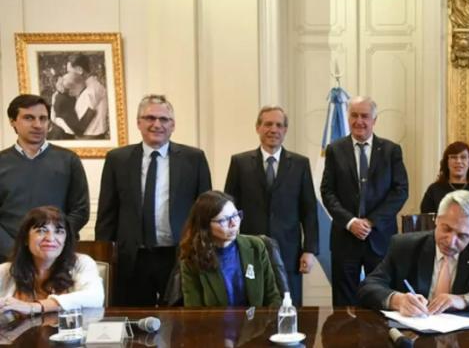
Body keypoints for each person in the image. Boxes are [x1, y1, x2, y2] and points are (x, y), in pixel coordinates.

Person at [95, 94, 212, 306]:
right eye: (149, 118)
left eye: (164, 119)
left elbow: (205, 211)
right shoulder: (117, 159)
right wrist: (103, 257)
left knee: (180, 318)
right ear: (138, 123)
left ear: (173, 125)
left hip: (179, 255)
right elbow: (107, 214)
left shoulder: (194, 159)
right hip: (133, 257)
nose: (156, 124)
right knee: (134, 319)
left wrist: (204, 251)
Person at [357, 190, 469, 316]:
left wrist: (465, 299)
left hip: (467, 337)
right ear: (437, 219)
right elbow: (368, 287)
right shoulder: (405, 246)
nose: (451, 241)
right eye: (446, 228)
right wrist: (397, 300)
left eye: (462, 236)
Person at [224, 106, 318, 305]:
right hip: (249, 248)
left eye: (279, 125)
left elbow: (309, 210)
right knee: (253, 303)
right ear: (258, 127)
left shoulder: (300, 164)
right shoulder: (239, 162)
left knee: (289, 304)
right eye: (268, 124)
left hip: (289, 251)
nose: (273, 129)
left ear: (285, 130)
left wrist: (309, 250)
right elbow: (229, 209)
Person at [321, 96, 409, 306]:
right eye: (354, 115)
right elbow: (327, 191)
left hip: (379, 237)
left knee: (381, 299)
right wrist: (351, 222)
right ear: (348, 118)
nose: (359, 121)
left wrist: (370, 222)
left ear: (374, 120)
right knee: (343, 304)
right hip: (345, 238)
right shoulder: (335, 149)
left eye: (364, 116)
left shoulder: (391, 150)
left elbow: (400, 191)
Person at [0, 95, 89, 261]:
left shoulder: (69, 160)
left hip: (57, 256)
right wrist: (12, 250)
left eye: (43, 118)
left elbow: (80, 211)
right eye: (29, 118)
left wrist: (53, 241)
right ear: (13, 121)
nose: (38, 125)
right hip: (7, 258)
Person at [179, 191, 281, 307]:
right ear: (205, 226)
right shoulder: (192, 258)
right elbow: (194, 311)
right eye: (224, 220)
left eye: (235, 215)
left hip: (256, 318)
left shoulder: (256, 246)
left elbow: (273, 298)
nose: (233, 223)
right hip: (214, 319)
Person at [0, 206, 103, 315]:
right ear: (26, 238)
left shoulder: (81, 263)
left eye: (59, 231)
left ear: (65, 239)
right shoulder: (5, 271)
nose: (50, 238)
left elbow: (95, 297)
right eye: (41, 231)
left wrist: (33, 307)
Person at [420, 141, 469, 216]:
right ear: (447, 162)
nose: (458, 161)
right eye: (454, 157)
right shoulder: (434, 191)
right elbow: (426, 220)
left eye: (463, 157)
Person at [65, 54, 109, 139]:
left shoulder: (93, 89)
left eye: (69, 72)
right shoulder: (86, 87)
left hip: (91, 138)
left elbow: (82, 126)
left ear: (80, 70)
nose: (68, 75)